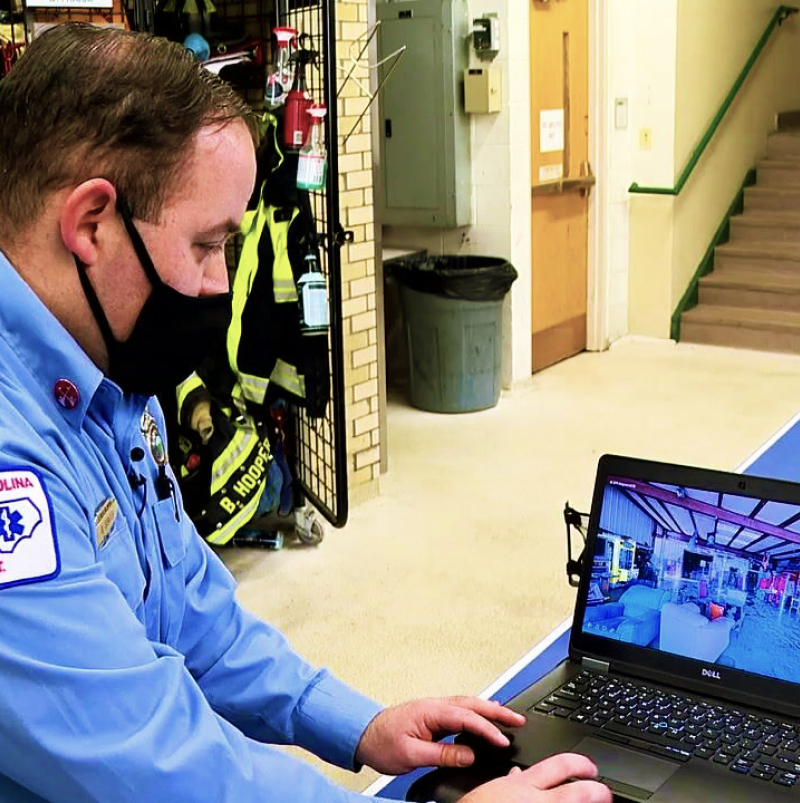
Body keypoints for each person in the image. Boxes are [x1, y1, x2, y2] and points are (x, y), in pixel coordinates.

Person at [0, 23, 611, 803]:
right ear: (91, 224)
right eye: (207, 244)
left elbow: (197, 616)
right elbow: (147, 757)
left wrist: (355, 724)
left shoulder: (110, 372)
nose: (223, 283)